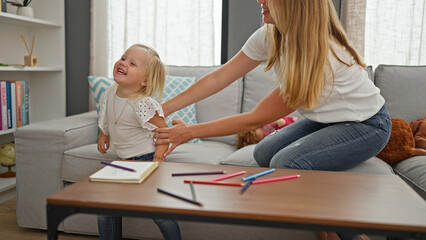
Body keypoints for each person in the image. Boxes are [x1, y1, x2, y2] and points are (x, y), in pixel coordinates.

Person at [154, 1, 391, 240]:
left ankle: (349, 234)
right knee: (263, 152)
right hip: (326, 120)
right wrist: (163, 108)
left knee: (288, 162)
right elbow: (219, 77)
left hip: (367, 124)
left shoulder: (323, 57)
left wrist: (191, 132)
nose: (260, 0)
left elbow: (253, 119)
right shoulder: (270, 35)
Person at [97, 44, 181, 240]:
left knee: (158, 213)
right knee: (105, 208)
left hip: (146, 160)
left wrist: (158, 160)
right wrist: (104, 134)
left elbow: (164, 133)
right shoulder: (110, 92)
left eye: (132, 63)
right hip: (123, 162)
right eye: (123, 58)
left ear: (145, 80)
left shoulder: (142, 103)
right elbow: (107, 116)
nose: (123, 63)